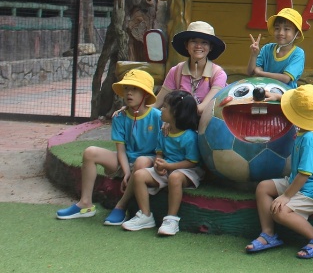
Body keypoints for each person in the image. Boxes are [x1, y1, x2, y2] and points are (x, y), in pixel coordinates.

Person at [56, 69, 162, 221]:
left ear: (145, 93)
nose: (129, 93)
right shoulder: (119, 116)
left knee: (141, 161)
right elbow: (121, 150)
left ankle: (121, 206)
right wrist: (126, 171)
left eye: (134, 89)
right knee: (90, 152)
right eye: (126, 88)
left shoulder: (157, 117)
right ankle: (85, 203)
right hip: (126, 160)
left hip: (147, 163)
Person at [245, 85, 313, 258]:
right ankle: (268, 234)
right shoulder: (310, 127)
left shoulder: (310, 139)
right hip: (296, 181)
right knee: (263, 187)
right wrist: (276, 96)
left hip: (312, 189)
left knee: (280, 211)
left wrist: (286, 196)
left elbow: (304, 174)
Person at [117, 90, 202, 234]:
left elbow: (192, 162)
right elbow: (159, 153)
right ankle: (145, 215)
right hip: (167, 167)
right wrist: (158, 164)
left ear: (175, 112)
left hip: (187, 170)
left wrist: (169, 166)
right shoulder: (164, 131)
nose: (161, 109)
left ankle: (171, 219)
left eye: (165, 107)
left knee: (175, 178)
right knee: (138, 175)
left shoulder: (190, 136)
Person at [157, 21, 227, 113]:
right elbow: (157, 103)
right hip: (179, 120)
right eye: (194, 41)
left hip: (204, 122)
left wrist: (174, 112)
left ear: (210, 47)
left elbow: (203, 107)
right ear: (186, 45)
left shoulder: (218, 74)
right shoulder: (176, 71)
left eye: (204, 42)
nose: (198, 46)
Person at [247, 7, 306, 91]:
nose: (281, 33)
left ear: (297, 34)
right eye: (277, 28)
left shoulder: (298, 53)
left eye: (286, 29)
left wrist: (260, 73)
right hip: (263, 90)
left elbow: (286, 78)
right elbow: (250, 72)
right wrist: (254, 55)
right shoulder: (267, 48)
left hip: (285, 94)